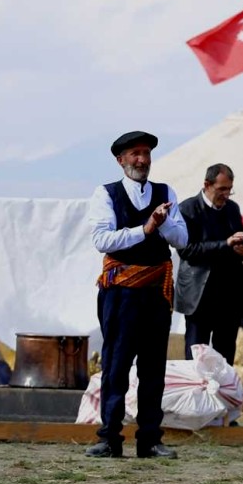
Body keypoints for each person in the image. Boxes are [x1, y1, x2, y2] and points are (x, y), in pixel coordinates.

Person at [86, 131, 188, 459]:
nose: (142, 160)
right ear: (121, 160)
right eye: (135, 154)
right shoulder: (106, 194)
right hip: (121, 293)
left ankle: (149, 440)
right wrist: (144, 229)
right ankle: (109, 438)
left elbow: (182, 238)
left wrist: (161, 223)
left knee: (153, 366)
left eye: (146, 153)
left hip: (156, 292)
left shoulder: (165, 192)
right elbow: (102, 240)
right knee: (116, 364)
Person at [175, 163, 243, 365]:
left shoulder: (232, 209)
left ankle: (223, 396)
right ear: (207, 185)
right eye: (222, 189)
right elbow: (187, 250)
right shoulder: (187, 209)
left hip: (228, 295)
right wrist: (225, 244)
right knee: (195, 357)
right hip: (199, 296)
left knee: (226, 357)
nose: (226, 194)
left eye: (229, 189)